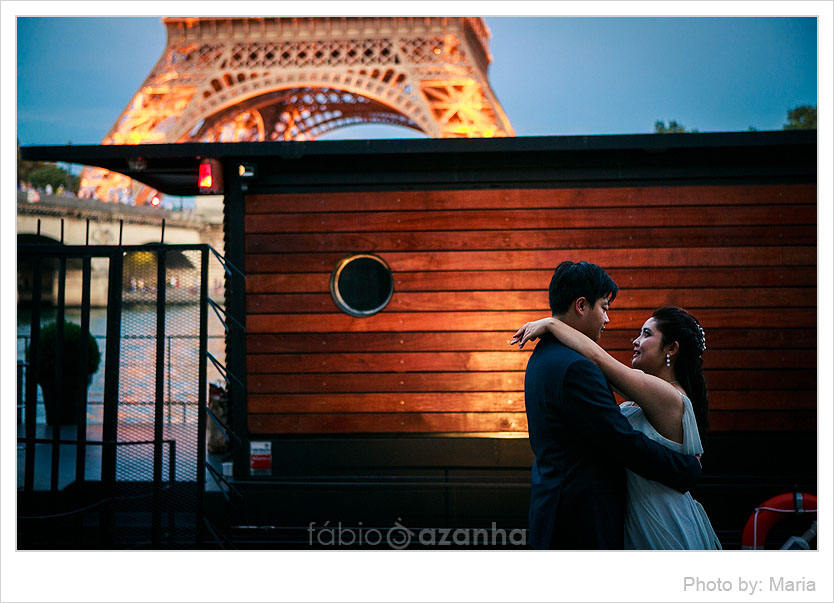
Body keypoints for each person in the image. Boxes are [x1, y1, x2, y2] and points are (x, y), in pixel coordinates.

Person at [509, 261, 703, 549]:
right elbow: (620, 440)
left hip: (570, 506)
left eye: (646, 334)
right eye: (604, 307)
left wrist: (551, 324)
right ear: (581, 305)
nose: (607, 319)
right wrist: (685, 468)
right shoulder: (576, 367)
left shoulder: (544, 357)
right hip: (582, 518)